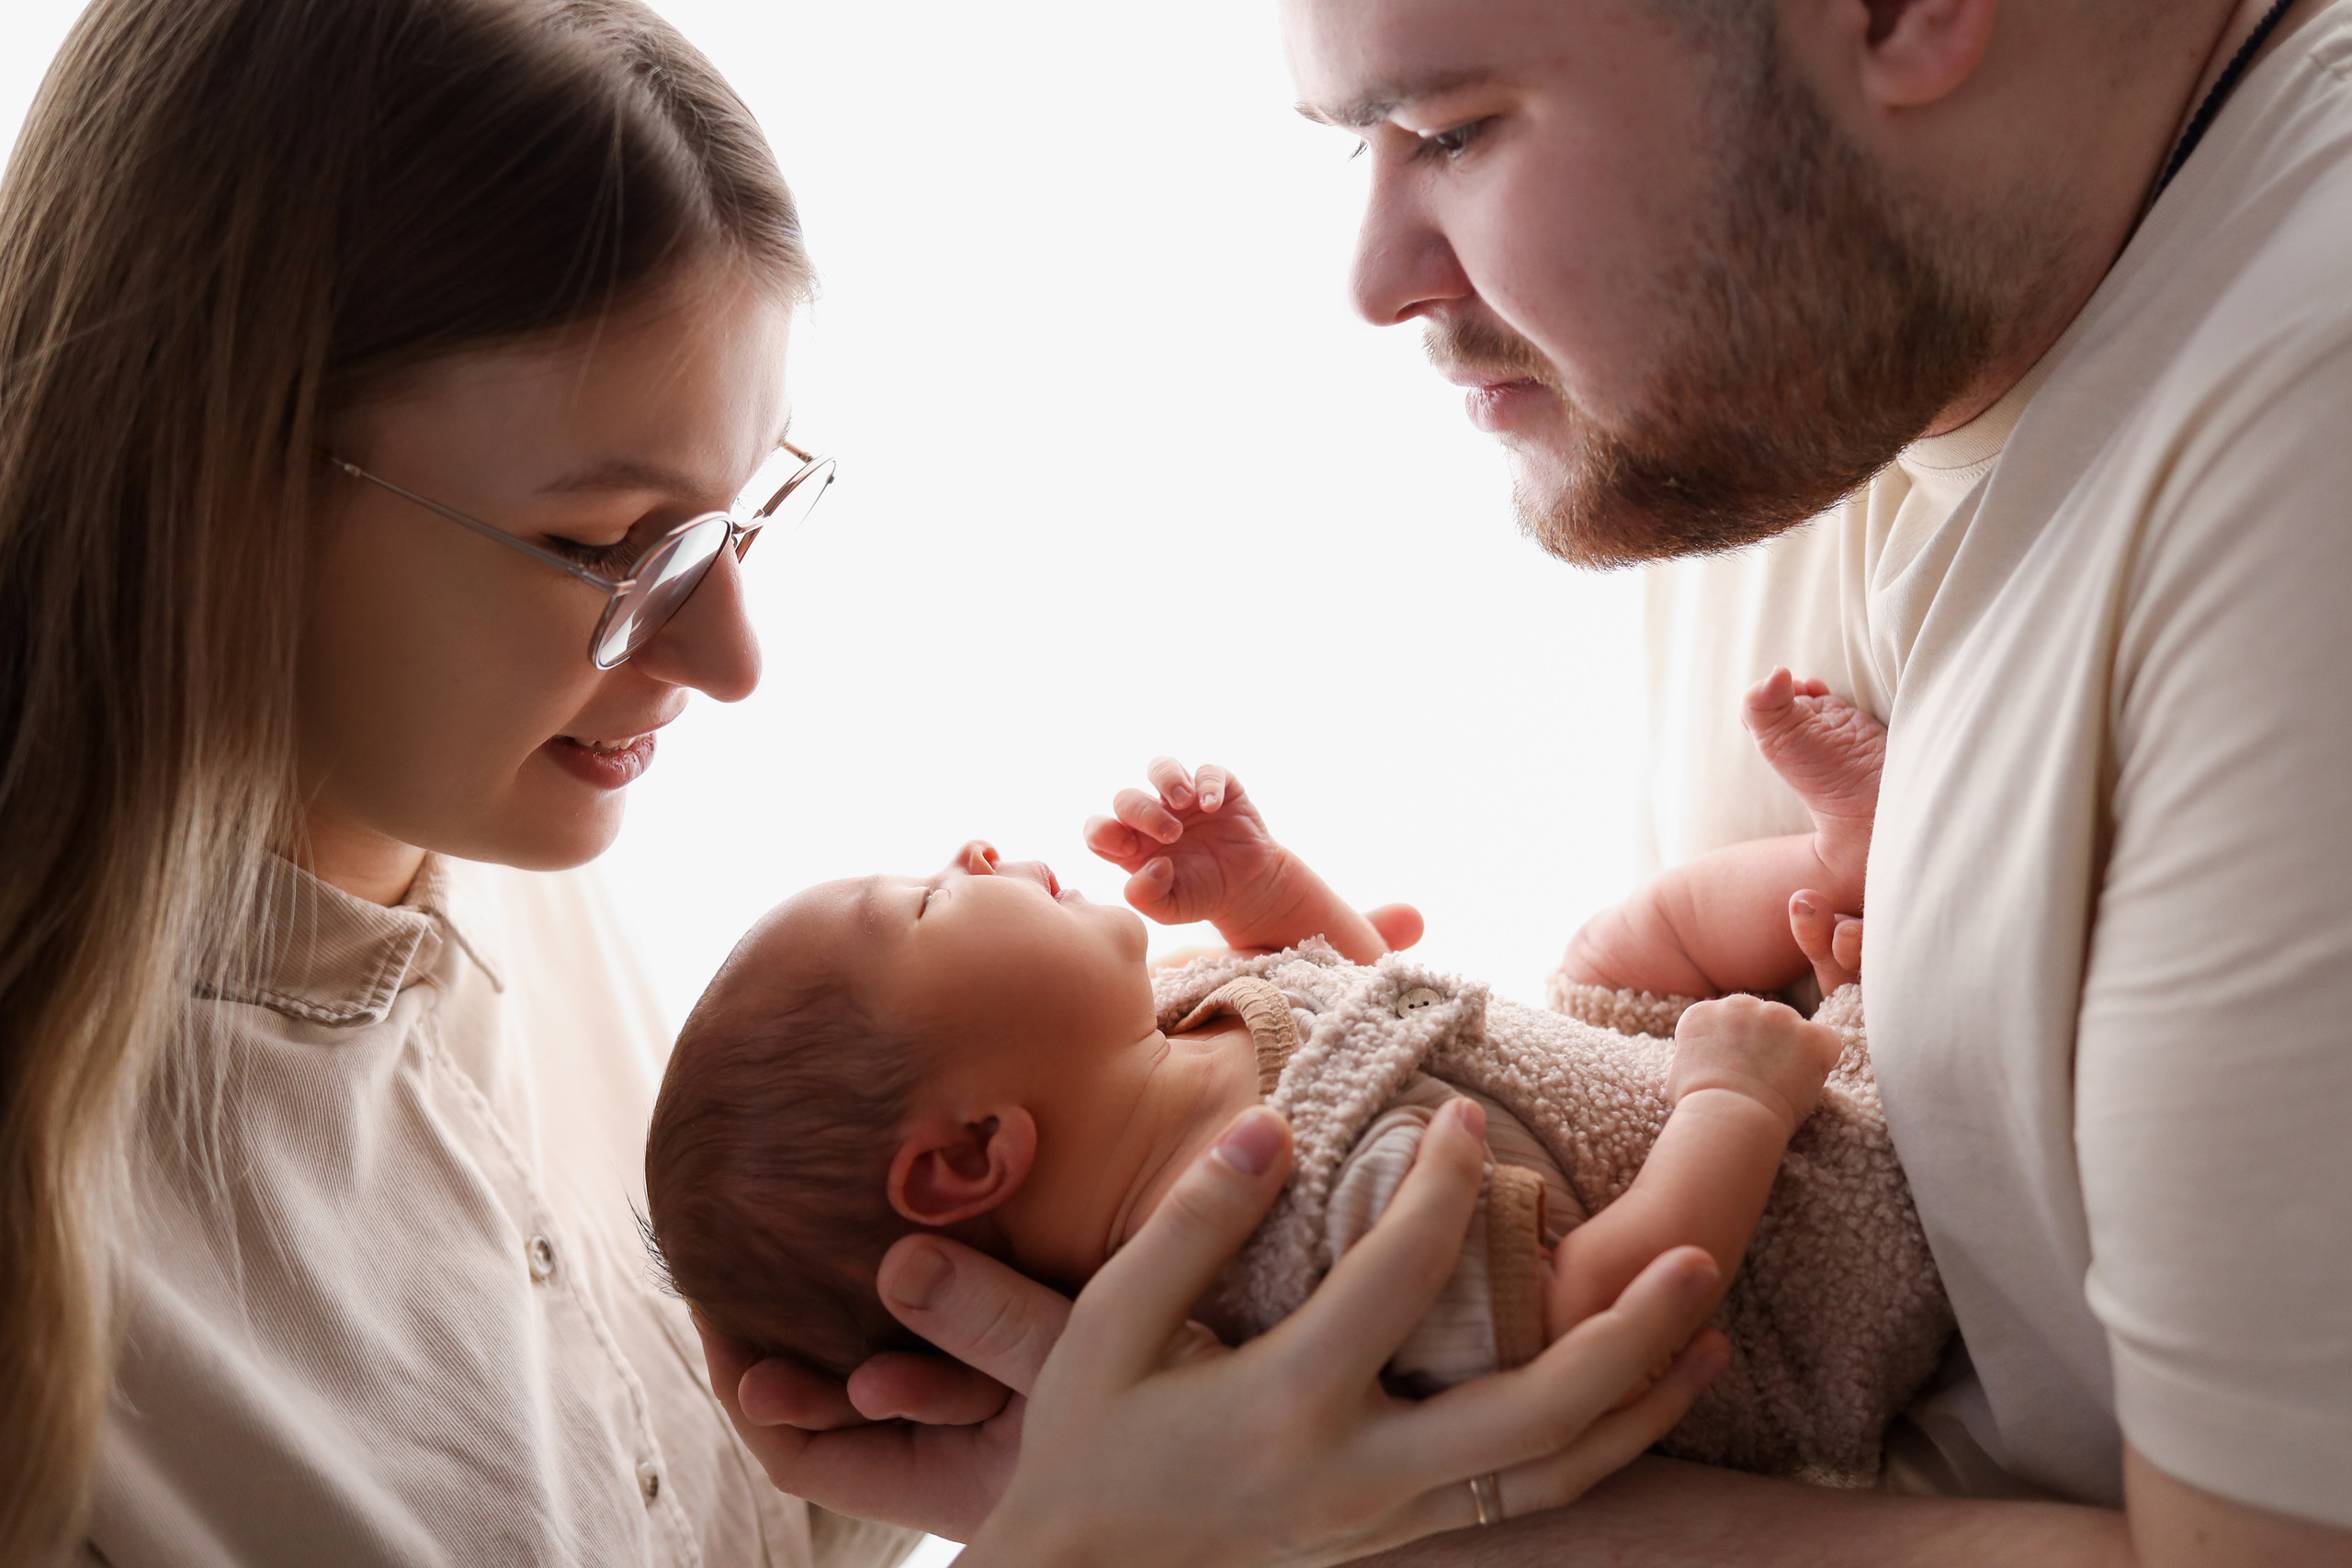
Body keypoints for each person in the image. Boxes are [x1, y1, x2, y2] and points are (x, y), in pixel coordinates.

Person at [0, 0, 1726, 1562]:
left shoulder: (550, 905)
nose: (733, 660)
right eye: (612, 544)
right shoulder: (75, 1295)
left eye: (737, 517)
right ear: (211, 484)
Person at [718, 0, 2352, 1563]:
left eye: (1452, 126)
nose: (1370, 278)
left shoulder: (2291, 483)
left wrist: (1302, 1530)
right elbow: (1457, 1062)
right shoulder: (1777, 367)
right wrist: (1173, 1470)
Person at [642, 675, 1917, 1469]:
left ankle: (1846, 854)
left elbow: (1371, 1011)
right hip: (1794, 1251)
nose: (969, 849)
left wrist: (1263, 889)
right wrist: (1736, 1104)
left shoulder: (1166, 1023)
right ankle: (1864, 1013)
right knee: (1836, 1061)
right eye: (923, 902)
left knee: (1616, 943)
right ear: (975, 1151)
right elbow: (1598, 1324)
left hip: (1604, 1095)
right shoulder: (1300, 1258)